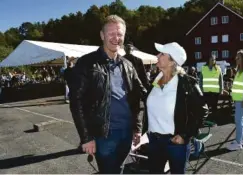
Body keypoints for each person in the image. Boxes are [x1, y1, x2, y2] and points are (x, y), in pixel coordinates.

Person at [69, 15, 146, 174]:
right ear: (102, 35)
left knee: (119, 169)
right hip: (103, 135)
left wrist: (137, 128)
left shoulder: (128, 65)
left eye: (119, 34)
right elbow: (76, 102)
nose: (115, 38)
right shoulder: (87, 63)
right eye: (111, 33)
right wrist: (86, 137)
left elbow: (138, 97)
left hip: (126, 133)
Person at [144, 42, 209, 174]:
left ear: (172, 61)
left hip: (175, 143)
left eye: (162, 54)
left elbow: (202, 110)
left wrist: (185, 135)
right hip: (154, 141)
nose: (157, 55)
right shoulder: (154, 81)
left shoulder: (187, 83)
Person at [200, 55, 223, 121]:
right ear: (208, 60)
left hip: (215, 92)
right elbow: (200, 80)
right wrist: (200, 89)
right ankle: (206, 120)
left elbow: (220, 80)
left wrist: (221, 90)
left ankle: (213, 120)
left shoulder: (218, 68)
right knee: (206, 107)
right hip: (206, 92)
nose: (213, 61)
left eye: (214, 59)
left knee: (214, 107)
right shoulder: (203, 68)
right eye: (211, 59)